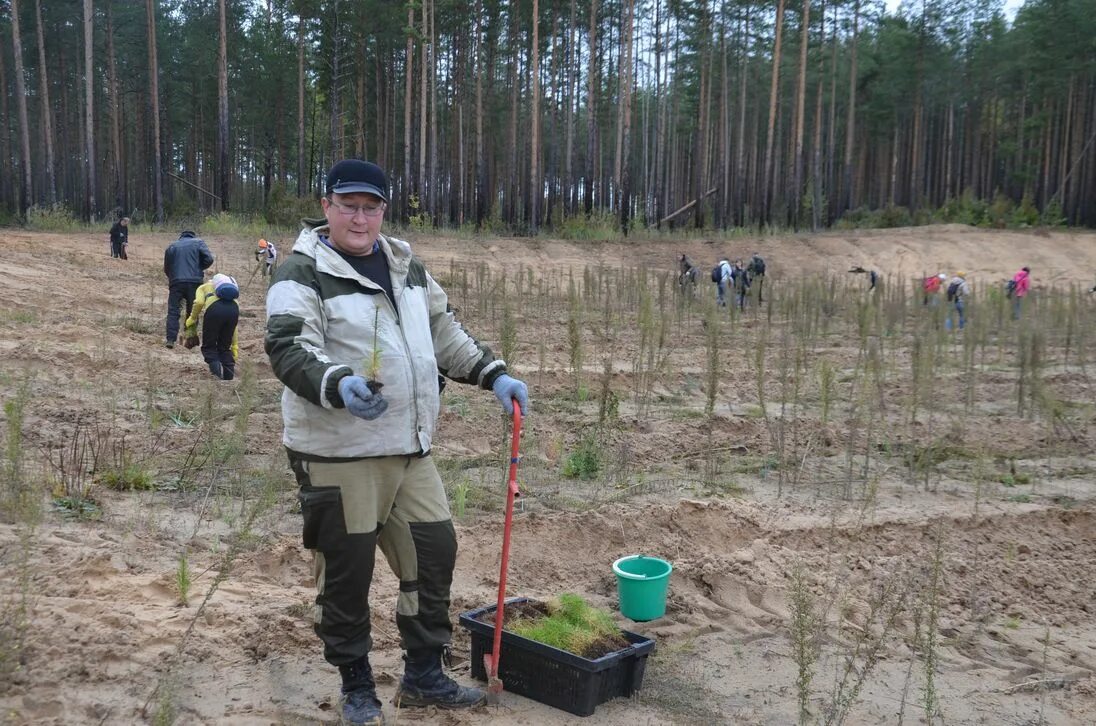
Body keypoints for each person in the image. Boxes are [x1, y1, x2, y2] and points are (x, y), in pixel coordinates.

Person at [264, 158, 529, 726]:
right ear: (327, 205)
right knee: (346, 573)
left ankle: (423, 675)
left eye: (371, 207)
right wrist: (339, 383)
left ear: (384, 209)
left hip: (409, 450)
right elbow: (289, 348)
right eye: (349, 205)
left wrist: (493, 373)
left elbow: (444, 332)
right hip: (339, 454)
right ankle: (357, 686)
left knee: (434, 552)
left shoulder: (406, 266)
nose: (360, 218)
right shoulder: (300, 272)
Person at [164, 229, 214, 348]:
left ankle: (170, 340)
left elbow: (166, 267)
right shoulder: (198, 242)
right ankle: (189, 339)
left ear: (181, 236)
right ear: (193, 235)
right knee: (193, 311)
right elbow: (209, 259)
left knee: (173, 311)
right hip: (195, 282)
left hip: (176, 282)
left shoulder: (172, 246)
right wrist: (198, 268)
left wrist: (172, 277)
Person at [184, 273, 240, 380]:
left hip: (214, 311)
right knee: (224, 347)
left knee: (209, 346)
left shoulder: (203, 287)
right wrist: (234, 345)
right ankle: (228, 379)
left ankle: (216, 378)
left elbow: (199, 302)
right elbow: (234, 326)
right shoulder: (232, 294)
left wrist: (192, 318)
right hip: (233, 310)